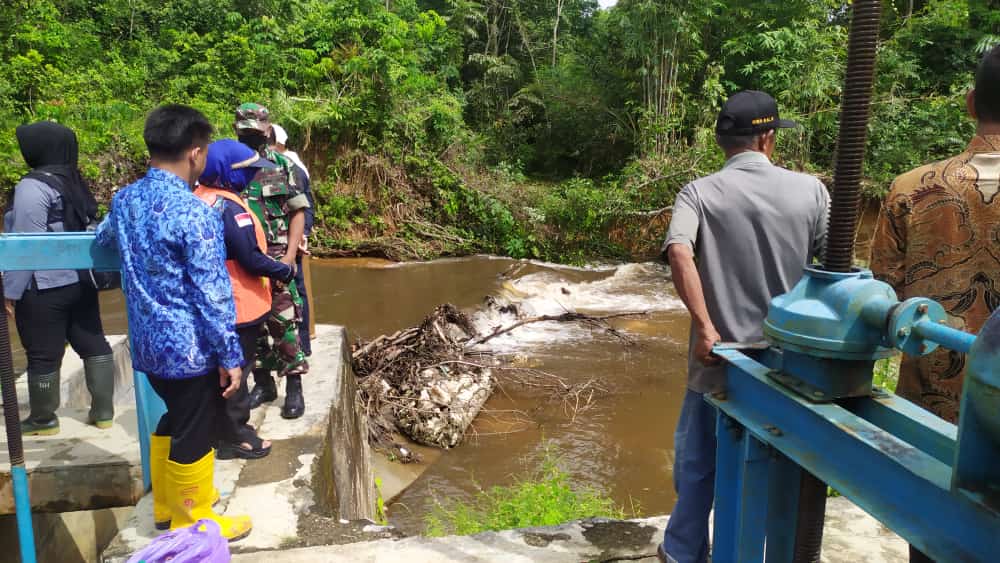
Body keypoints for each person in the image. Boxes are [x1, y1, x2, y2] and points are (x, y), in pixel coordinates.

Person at [658, 91, 829, 563]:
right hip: (785, 365)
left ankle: (683, 553)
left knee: (697, 466)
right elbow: (835, 268)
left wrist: (705, 326)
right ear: (768, 138)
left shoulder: (698, 192)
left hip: (717, 359)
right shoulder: (811, 191)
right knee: (781, 467)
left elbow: (678, 251)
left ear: (722, 142)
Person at [96, 104, 252, 541]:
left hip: (147, 345)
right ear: (196, 153)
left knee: (176, 417)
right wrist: (230, 355)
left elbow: (103, 238)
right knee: (195, 429)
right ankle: (193, 520)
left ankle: (166, 506)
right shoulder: (195, 213)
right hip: (190, 349)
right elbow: (212, 293)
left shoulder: (125, 200)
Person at [870, 45, 1000, 563]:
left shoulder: (910, 190)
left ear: (970, 102)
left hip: (930, 417)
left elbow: (883, 296)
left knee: (931, 538)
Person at [3, 122, 115, 436]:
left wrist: (10, 292)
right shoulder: (73, 180)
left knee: (43, 353)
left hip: (43, 286)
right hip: (80, 279)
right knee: (92, 343)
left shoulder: (32, 187)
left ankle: (43, 420)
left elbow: (26, 247)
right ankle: (103, 413)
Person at [195, 139, 298, 460]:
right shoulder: (230, 208)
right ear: (229, 172)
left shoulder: (199, 198)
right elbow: (250, 258)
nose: (253, 177)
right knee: (237, 372)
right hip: (239, 304)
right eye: (249, 172)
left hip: (211, 305)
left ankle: (217, 431)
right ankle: (237, 436)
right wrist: (284, 269)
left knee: (218, 372)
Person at [233, 103, 311, 419]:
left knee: (285, 324)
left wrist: (290, 257)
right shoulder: (229, 168)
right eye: (245, 132)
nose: (251, 136)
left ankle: (294, 388)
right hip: (243, 263)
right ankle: (264, 384)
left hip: (278, 260)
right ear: (236, 131)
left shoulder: (282, 166)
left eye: (256, 130)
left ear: (267, 129)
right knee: (252, 328)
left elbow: (298, 212)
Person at [271, 124, 315, 358]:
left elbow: (305, 206)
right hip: (274, 242)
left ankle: (302, 345)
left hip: (290, 241)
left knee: (296, 290)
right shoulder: (260, 166)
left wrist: (301, 235)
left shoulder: (291, 167)